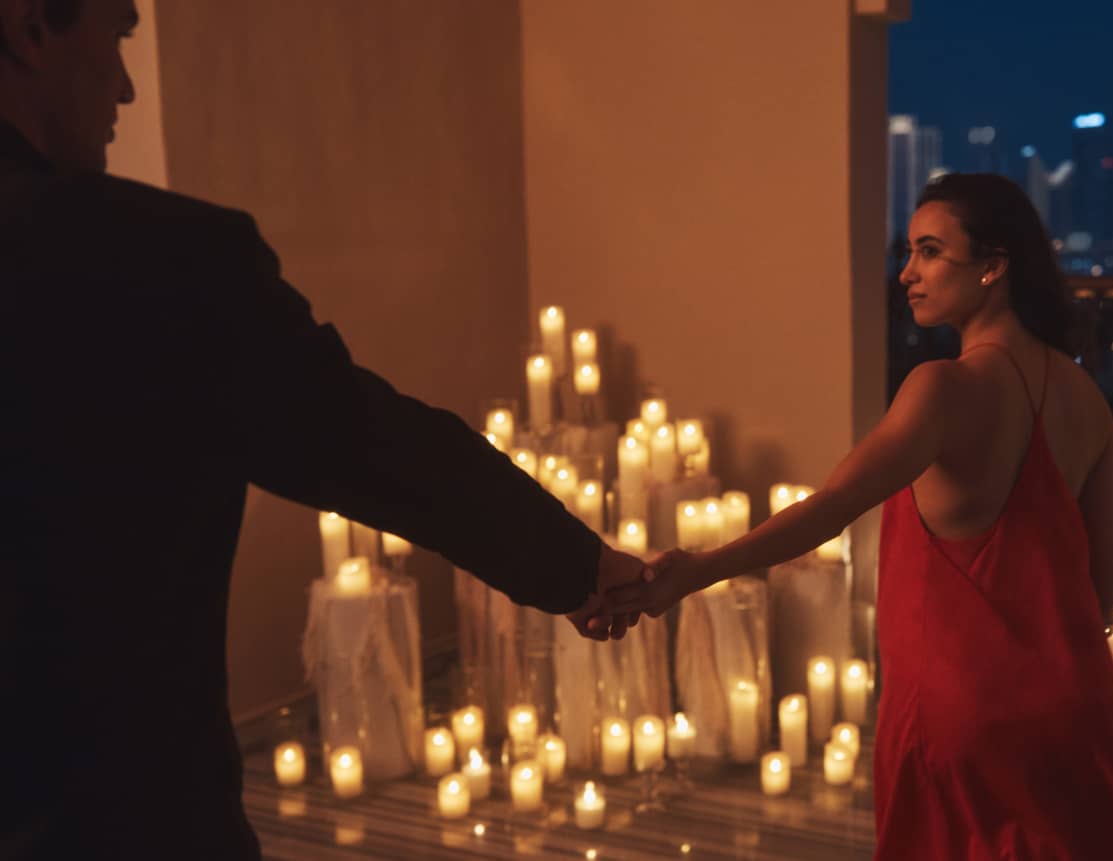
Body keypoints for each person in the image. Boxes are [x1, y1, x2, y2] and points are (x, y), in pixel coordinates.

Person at [0, 0, 641, 857]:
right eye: (115, 36)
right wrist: (578, 566)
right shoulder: (155, 260)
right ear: (29, 28)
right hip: (115, 818)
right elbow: (366, 445)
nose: (122, 87)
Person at [609, 173, 1113, 859]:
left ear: (994, 266)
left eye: (931, 251)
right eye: (909, 252)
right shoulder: (1085, 396)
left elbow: (829, 510)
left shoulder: (943, 389)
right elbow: (1106, 580)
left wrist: (698, 569)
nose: (907, 272)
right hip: (1071, 710)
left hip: (958, 721)